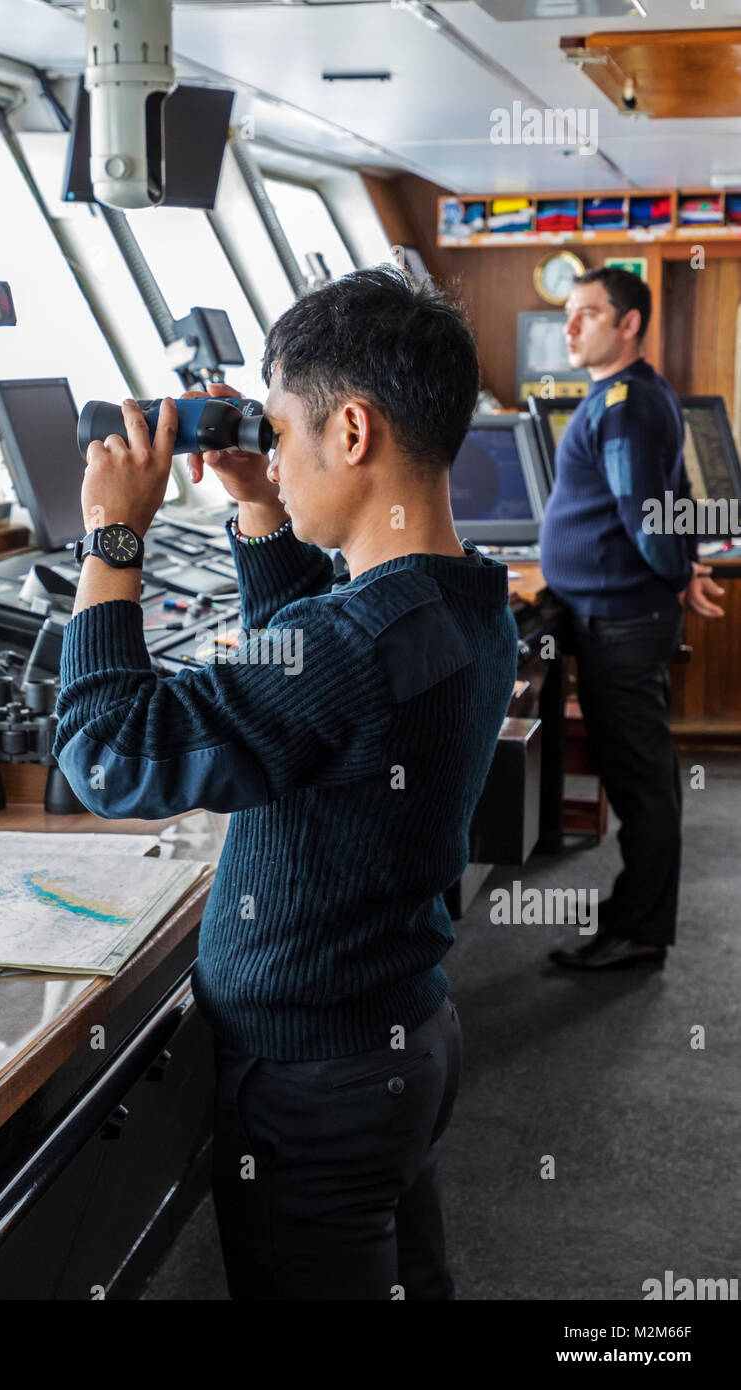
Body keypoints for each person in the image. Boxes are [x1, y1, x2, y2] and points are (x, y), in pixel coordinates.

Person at [52, 266, 518, 1300]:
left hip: (318, 1077)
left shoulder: (351, 640)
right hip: (395, 1033)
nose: (269, 449)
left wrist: (113, 539)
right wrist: (265, 508)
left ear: (350, 432)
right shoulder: (465, 596)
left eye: (279, 429)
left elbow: (108, 751)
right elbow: (310, 679)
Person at [540, 267, 725, 972]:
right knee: (638, 772)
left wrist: (677, 575)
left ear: (628, 324)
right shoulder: (630, 393)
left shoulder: (621, 404)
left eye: (587, 313)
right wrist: (684, 571)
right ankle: (635, 910)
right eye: (568, 314)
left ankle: (640, 927)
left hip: (618, 619)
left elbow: (646, 519)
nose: (570, 327)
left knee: (639, 778)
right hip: (614, 610)